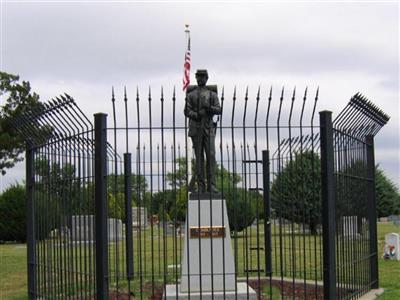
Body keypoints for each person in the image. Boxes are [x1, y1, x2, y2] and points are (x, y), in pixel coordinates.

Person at [184, 69, 222, 194]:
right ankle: (201, 185)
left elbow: (218, 109)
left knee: (211, 155)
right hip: (196, 128)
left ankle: (211, 185)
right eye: (198, 76)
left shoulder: (212, 95)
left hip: (208, 127)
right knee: (199, 157)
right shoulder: (191, 95)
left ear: (206, 78)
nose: (200, 79)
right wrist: (197, 114)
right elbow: (187, 111)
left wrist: (209, 108)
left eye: (202, 76)